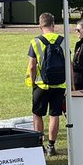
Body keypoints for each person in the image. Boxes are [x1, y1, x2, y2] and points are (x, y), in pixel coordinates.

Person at [27, 13, 66, 156]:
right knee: (54, 115)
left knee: (37, 114)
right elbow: (69, 63)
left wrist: (32, 82)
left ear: (40, 26)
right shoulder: (63, 41)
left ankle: (39, 144)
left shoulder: (35, 41)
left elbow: (32, 66)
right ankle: (51, 146)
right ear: (53, 24)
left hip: (41, 84)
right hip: (59, 84)